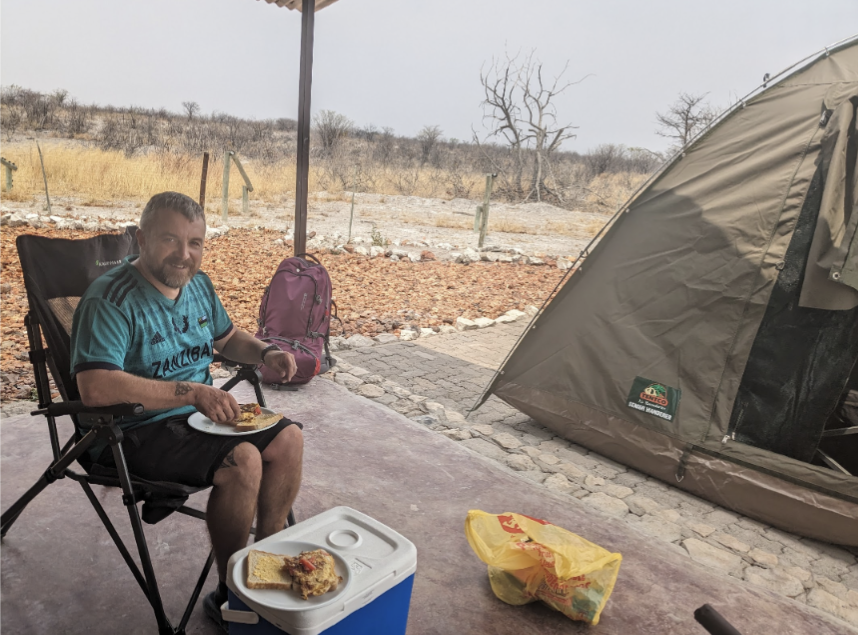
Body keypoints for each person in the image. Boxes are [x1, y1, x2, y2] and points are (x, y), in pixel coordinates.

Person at [70, 191, 302, 631]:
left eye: (195, 242)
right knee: (244, 461)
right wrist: (192, 392)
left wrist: (266, 351)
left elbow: (229, 338)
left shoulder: (199, 286)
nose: (184, 254)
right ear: (142, 239)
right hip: (128, 428)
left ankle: (265, 566)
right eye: (170, 240)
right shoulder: (111, 298)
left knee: (288, 439)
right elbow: (96, 387)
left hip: (197, 416)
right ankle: (233, 594)